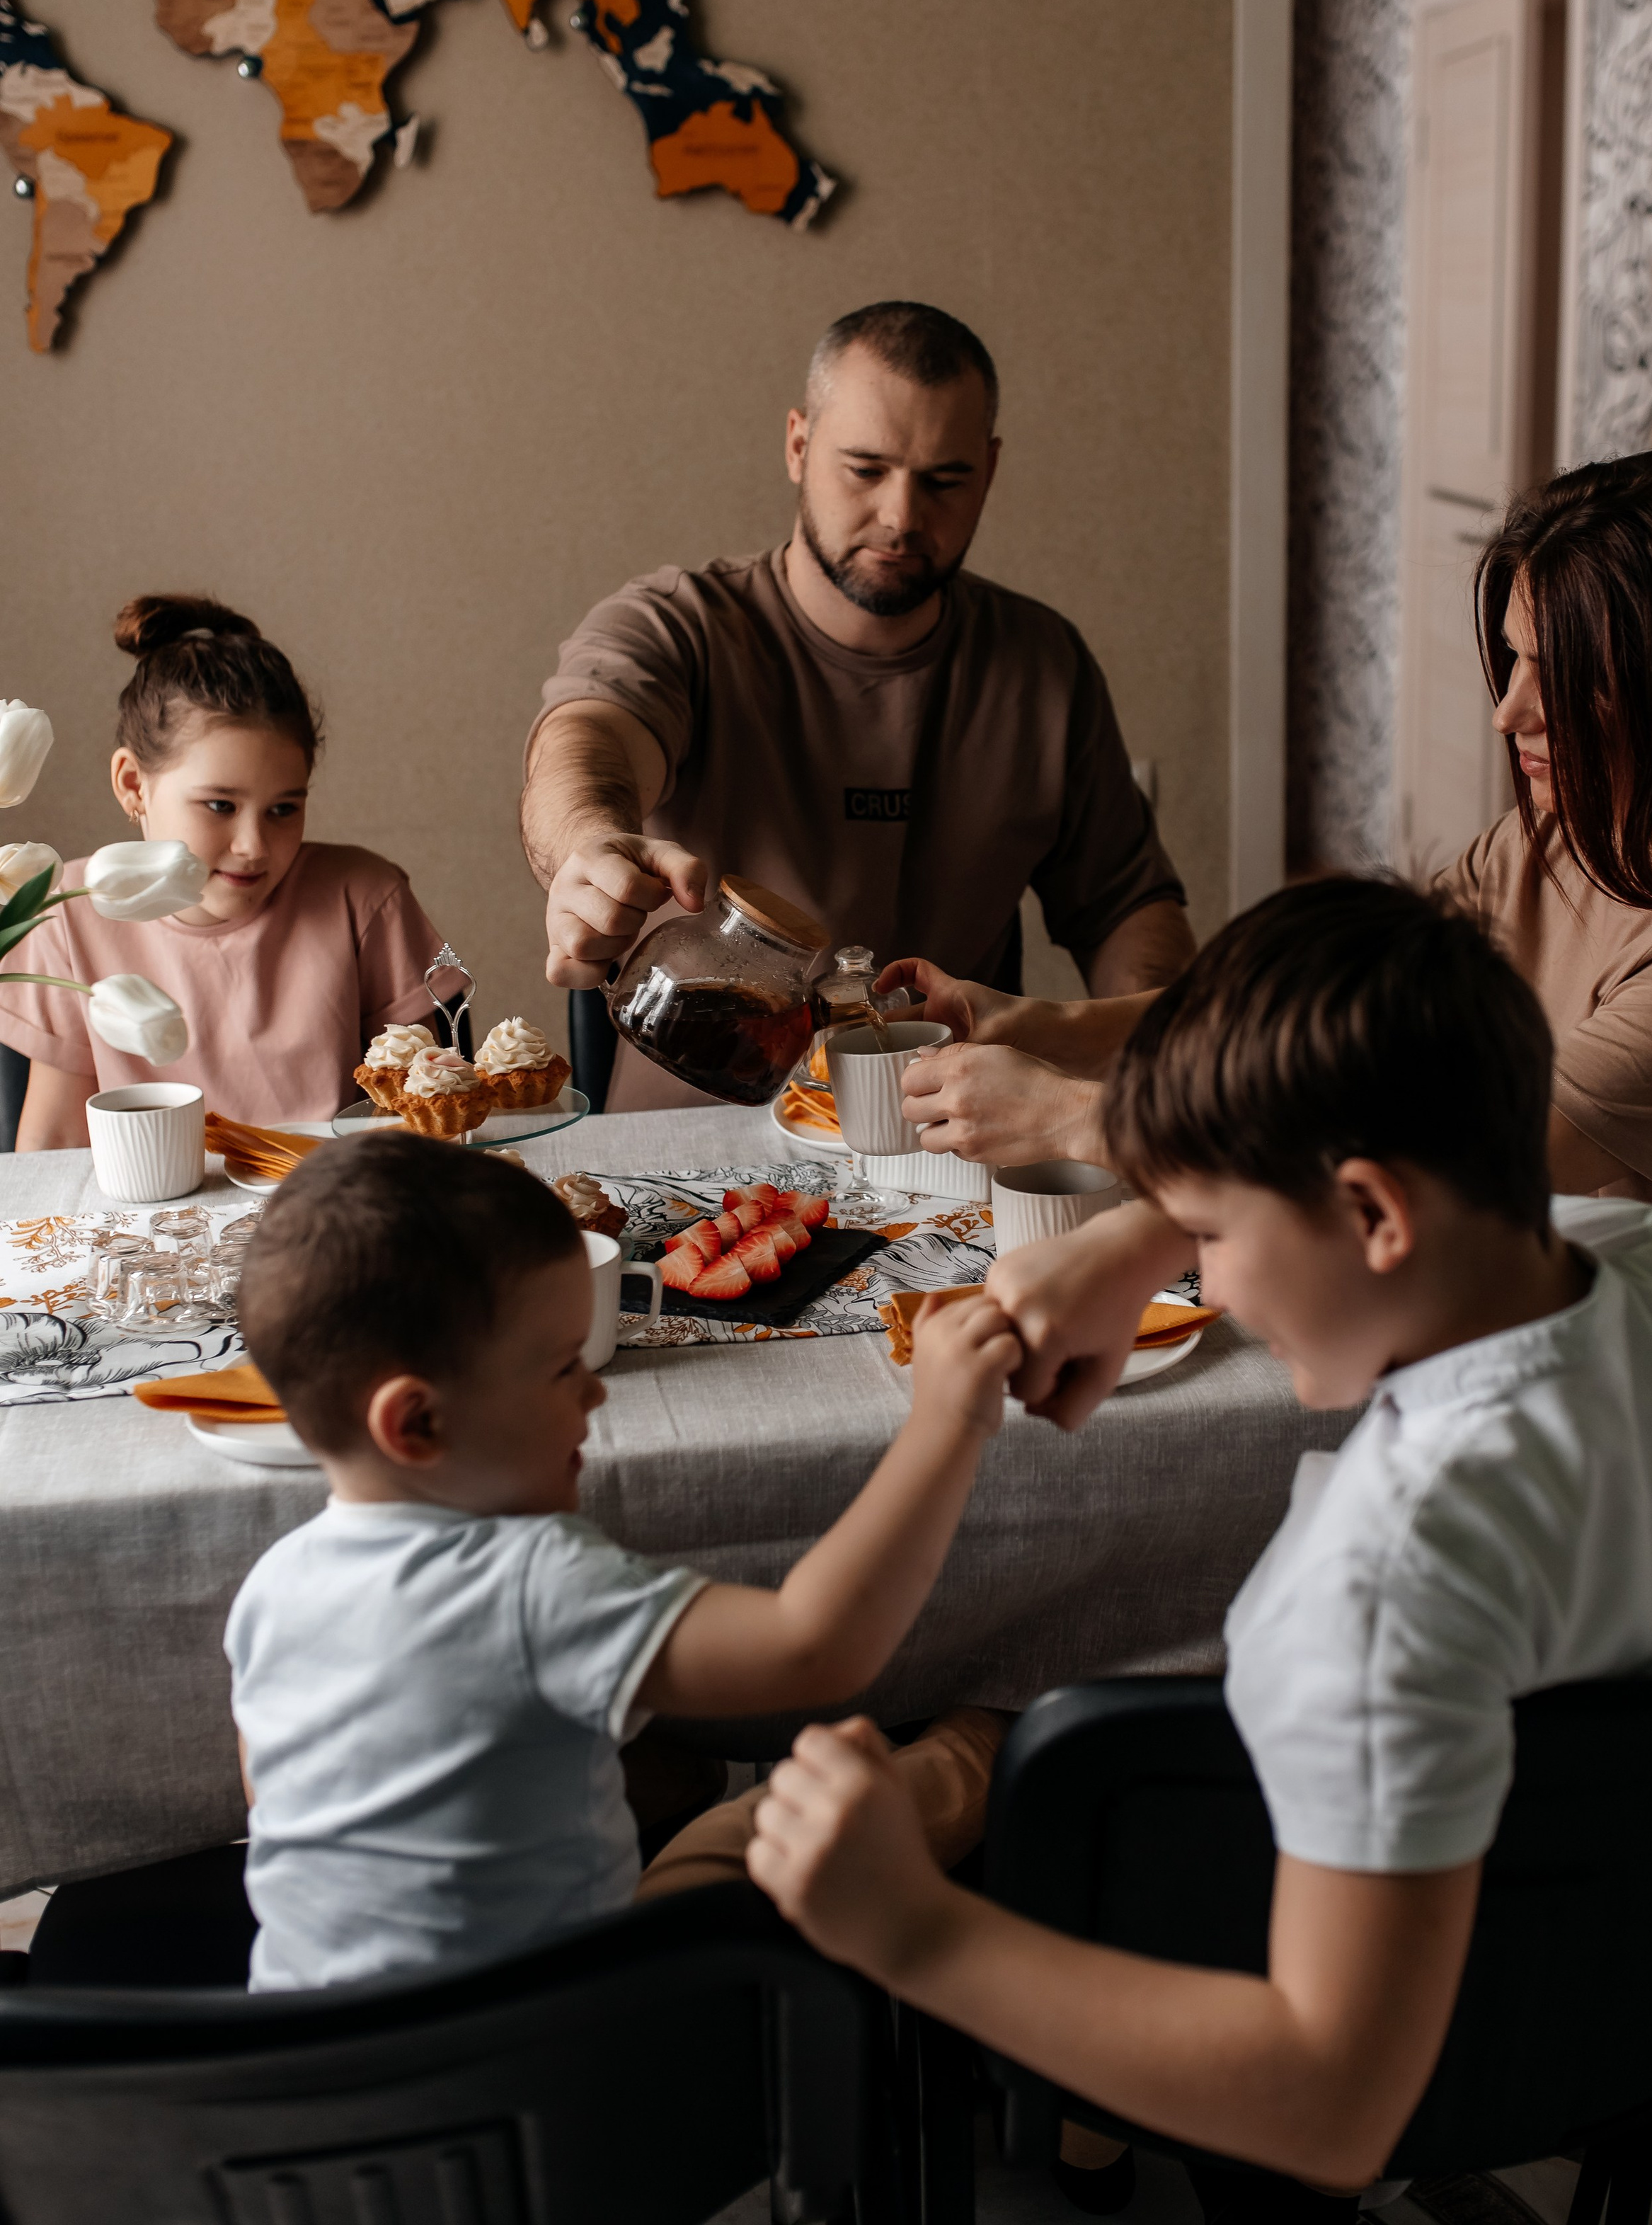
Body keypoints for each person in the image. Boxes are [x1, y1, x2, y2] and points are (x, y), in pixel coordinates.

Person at [745, 879, 1652, 2201]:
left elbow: (1331, 2103)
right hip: (1642, 1962)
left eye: (1215, 1239)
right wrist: (1142, 1233)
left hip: (1385, 2049)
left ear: (1376, 1217)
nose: (1206, 1285)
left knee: (993, 1757)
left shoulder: (1392, 1580)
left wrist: (917, 1929)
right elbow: (1493, 1202)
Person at [887, 452, 1652, 1644]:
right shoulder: (1569, 834)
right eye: (1516, 658)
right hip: (1510, 1346)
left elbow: (1453, 1168)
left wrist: (1097, 1153)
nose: (1508, 712)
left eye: (1565, 676)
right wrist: (1046, 1023)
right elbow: (1326, 1018)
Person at [226, 1135, 1019, 1990]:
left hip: (324, 2063)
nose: (594, 1391)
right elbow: (816, 1646)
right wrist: (946, 1420)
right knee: (772, 1824)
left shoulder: (270, 1587)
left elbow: (283, 1809)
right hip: (564, 2051)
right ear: (416, 1423)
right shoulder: (536, 1580)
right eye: (564, 1366)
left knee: (655, 1768)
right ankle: (995, 1738)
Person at [520, 299, 1194, 1109]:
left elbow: (1127, 908)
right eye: (865, 469)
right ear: (799, 445)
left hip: (950, 1147)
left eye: (944, 479)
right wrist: (589, 845)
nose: (902, 517)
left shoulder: (1043, 663)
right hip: (695, 1167)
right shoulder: (680, 624)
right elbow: (587, 740)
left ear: (990, 468)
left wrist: (1160, 1063)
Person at [1, 595, 445, 1139]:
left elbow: (426, 1118)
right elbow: (55, 1141)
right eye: (220, 806)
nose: (254, 845)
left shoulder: (366, 899)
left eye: (284, 809)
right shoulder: (66, 910)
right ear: (133, 784)